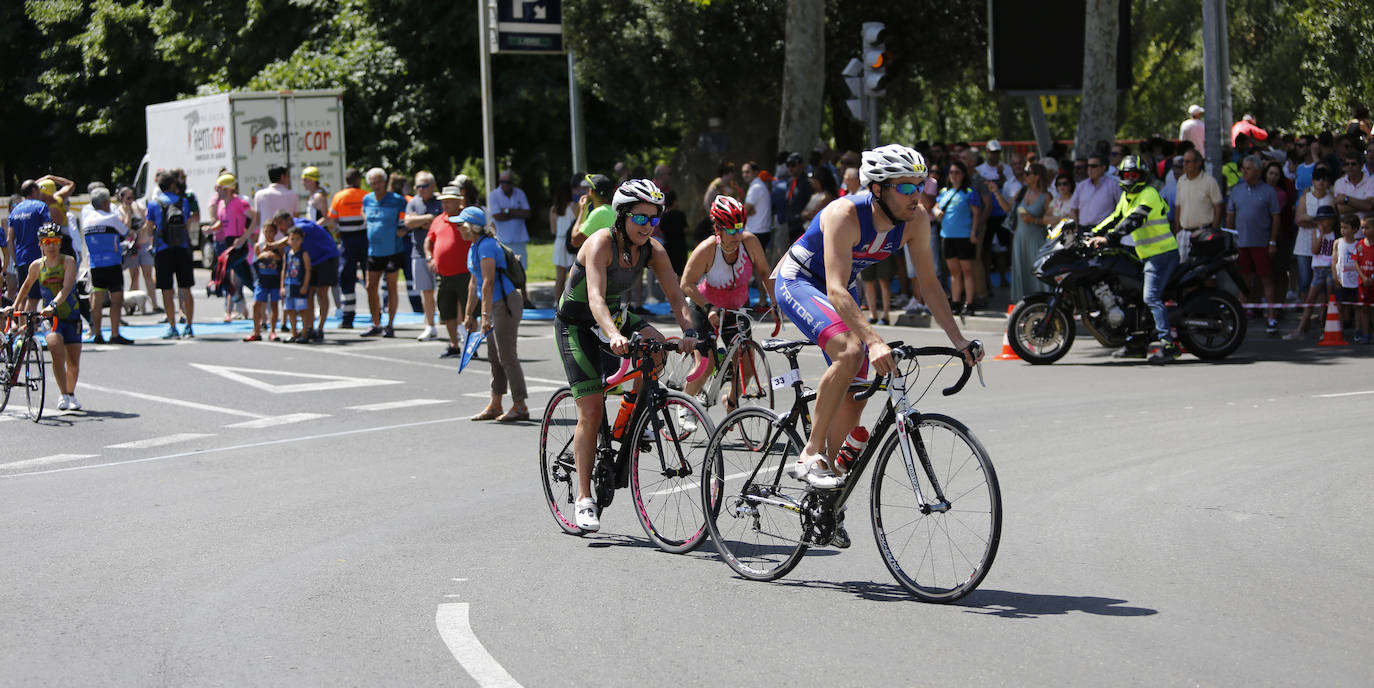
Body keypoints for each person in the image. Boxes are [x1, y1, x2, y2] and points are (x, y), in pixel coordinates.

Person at [774, 144, 979, 492]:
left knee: (858, 394)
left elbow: (929, 285)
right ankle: (809, 454)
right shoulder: (844, 214)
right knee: (852, 351)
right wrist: (873, 340)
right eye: (906, 187)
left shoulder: (916, 220)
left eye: (921, 185)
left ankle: (827, 495)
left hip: (842, 285)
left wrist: (958, 341)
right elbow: (836, 289)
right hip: (802, 281)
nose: (917, 195)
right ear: (879, 189)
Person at [554, 179, 699, 532]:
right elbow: (595, 299)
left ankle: (628, 425)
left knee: (657, 348)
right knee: (590, 409)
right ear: (621, 216)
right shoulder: (600, 242)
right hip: (579, 323)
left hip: (617, 318)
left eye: (653, 219)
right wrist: (614, 335)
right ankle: (584, 499)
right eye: (640, 218)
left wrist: (690, 332)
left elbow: (676, 296)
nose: (647, 226)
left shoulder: (653, 249)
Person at [679, 196, 774, 406]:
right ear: (718, 229)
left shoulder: (750, 243)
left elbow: (765, 270)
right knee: (706, 364)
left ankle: (731, 403)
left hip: (734, 310)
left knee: (747, 371)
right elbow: (686, 283)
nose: (737, 235)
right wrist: (708, 307)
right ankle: (684, 405)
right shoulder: (707, 249)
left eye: (740, 229)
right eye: (731, 231)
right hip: (704, 307)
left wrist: (775, 302)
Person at [1087, 155, 1182, 363]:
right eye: (1126, 175)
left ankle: (1168, 345)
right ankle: (1137, 344)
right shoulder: (1126, 197)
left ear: (1143, 176)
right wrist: (1091, 232)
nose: (1130, 179)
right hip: (1145, 256)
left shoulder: (1149, 194)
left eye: (1134, 175)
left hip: (1162, 255)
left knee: (1151, 297)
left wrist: (1108, 238)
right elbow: (1115, 217)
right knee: (1131, 295)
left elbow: (1132, 221)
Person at [459, 206, 529, 422]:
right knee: (494, 356)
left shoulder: (487, 246)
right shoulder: (475, 246)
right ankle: (495, 403)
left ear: (472, 227)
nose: (459, 228)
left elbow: (488, 283)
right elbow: (474, 284)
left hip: (504, 304)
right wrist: (470, 314)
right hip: (494, 305)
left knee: (507, 355)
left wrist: (485, 315)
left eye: (461, 224)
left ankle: (520, 405)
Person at [6, 225, 83, 410]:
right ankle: (63, 394)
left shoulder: (68, 262)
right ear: (41, 244)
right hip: (51, 318)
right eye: (47, 242)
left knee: (73, 362)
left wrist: (53, 305)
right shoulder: (37, 266)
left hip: (71, 315)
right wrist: (14, 307)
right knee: (56, 349)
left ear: (60, 243)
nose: (51, 246)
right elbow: (24, 288)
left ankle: (71, 394)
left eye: (55, 241)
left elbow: (66, 288)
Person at [1226, 155, 1283, 335]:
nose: (1244, 172)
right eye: (1243, 168)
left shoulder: (1268, 191)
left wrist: (1272, 241)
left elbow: (1276, 217)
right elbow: (1230, 215)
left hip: (1261, 243)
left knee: (1267, 279)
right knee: (1243, 281)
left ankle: (1271, 317)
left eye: (1248, 169)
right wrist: (1229, 239)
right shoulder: (1237, 190)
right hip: (1241, 243)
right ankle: (1240, 317)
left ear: (1258, 171)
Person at [79, 188, 134, 345]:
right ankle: (115, 334)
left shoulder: (88, 220)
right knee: (116, 299)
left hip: (96, 264)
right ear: (104, 203)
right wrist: (128, 215)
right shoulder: (111, 218)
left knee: (96, 299)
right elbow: (126, 233)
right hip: (113, 263)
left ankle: (98, 334)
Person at [425, 185, 473, 358]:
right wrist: (430, 258)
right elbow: (428, 242)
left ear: (458, 201)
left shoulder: (467, 218)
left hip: (466, 273)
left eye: (448, 201)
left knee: (470, 311)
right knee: (447, 310)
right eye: (443, 201)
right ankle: (454, 344)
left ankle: (470, 345)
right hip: (444, 274)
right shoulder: (438, 220)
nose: (445, 204)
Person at [146, 170, 196, 339]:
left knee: (166, 290)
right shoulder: (183, 201)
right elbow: (187, 225)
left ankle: (172, 326)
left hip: (162, 249)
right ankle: (189, 326)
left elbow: (148, 230)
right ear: (173, 185)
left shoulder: (153, 204)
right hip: (182, 248)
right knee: (186, 288)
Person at [359, 167, 407, 337]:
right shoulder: (367, 200)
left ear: (385, 182)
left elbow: (406, 216)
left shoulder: (397, 200)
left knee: (391, 286)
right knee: (370, 287)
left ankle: (390, 325)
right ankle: (375, 323)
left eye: (379, 182)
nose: (376, 185)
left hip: (392, 250)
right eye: (372, 183)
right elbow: (363, 212)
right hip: (373, 250)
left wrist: (403, 228)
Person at [931, 159, 982, 314]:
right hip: (947, 236)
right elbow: (935, 206)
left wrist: (974, 232)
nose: (954, 175)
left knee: (967, 270)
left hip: (964, 236)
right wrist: (936, 211)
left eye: (957, 172)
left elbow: (976, 214)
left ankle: (970, 303)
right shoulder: (944, 191)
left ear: (963, 174)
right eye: (951, 172)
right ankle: (955, 302)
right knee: (954, 272)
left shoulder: (969, 192)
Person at [207, 173, 257, 322]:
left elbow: (255, 217)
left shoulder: (239, 202)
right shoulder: (222, 205)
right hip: (229, 244)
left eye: (220, 188)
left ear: (228, 189)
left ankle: (237, 297)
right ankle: (257, 302)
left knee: (219, 272)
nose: (217, 192)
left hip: (238, 246)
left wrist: (243, 237)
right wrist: (210, 229)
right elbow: (222, 223)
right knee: (247, 279)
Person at [1287, 205, 1339, 340]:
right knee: (1310, 300)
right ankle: (1301, 329)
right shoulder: (1316, 232)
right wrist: (1321, 234)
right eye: (1320, 220)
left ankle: (1327, 329)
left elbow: (1333, 253)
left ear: (1332, 220)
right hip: (1318, 270)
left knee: (1330, 300)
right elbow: (1315, 250)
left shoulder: (1336, 234)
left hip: (1330, 269)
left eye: (1325, 220)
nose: (1322, 223)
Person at [405, 171, 442, 341]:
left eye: (424, 186)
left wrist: (419, 221)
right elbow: (408, 223)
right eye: (418, 186)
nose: (421, 189)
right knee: (426, 292)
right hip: (419, 253)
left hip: (440, 254)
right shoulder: (413, 202)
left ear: (432, 186)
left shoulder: (441, 201)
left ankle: (455, 326)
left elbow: (439, 223)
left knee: (445, 291)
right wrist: (428, 218)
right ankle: (430, 326)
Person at [329, 168, 369, 328]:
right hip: (364, 239)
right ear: (358, 180)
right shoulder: (366, 196)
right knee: (369, 278)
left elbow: (332, 221)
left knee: (347, 279)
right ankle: (376, 315)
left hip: (347, 242)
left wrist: (337, 233)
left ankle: (347, 318)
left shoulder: (338, 197)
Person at [1008, 163, 1052, 303]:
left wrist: (1034, 219)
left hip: (1037, 238)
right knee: (1022, 269)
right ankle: (1022, 304)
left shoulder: (1046, 196)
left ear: (1037, 176)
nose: (1024, 176)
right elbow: (1008, 208)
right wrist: (996, 192)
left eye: (1028, 173)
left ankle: (1042, 302)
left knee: (1037, 271)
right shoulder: (1021, 192)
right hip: (1020, 238)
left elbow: (1051, 219)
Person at [1172, 148, 1225, 261]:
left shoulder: (1209, 182)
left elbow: (1218, 207)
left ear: (1198, 163)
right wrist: (1177, 231)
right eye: (1183, 162)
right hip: (1184, 234)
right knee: (1182, 271)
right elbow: (1178, 207)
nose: (1184, 165)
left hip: (1204, 233)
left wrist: (1213, 230)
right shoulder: (1181, 181)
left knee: (1206, 271)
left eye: (1187, 162)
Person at [1293, 165, 1336, 303]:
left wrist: (1310, 220)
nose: (1321, 182)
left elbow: (1332, 223)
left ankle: (1322, 314)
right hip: (1304, 243)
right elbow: (1299, 219)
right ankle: (1307, 310)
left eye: (1324, 179)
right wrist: (1318, 222)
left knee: (1322, 282)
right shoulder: (1305, 198)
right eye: (1318, 179)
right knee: (1305, 280)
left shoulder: (1331, 199)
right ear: (1313, 180)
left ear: (1328, 182)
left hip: (1324, 243)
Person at [488, 170, 531, 267]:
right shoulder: (494, 195)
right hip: (502, 239)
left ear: (512, 182)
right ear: (499, 182)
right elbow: (497, 216)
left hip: (519, 239)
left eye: (508, 182)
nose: (505, 185)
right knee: (505, 268)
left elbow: (527, 213)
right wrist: (517, 212)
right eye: (503, 182)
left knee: (520, 268)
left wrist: (507, 211)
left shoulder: (520, 193)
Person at [247, 222, 282, 342]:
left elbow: (281, 261)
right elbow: (256, 262)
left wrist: (273, 255)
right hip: (262, 279)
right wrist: (264, 254)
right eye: (266, 231)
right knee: (257, 304)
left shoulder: (278, 246)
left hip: (274, 279)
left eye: (271, 231)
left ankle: (272, 330)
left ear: (275, 233)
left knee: (274, 305)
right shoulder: (258, 246)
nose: (268, 234)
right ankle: (256, 330)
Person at [1070, 153, 1121, 228]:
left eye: (1093, 166)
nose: (1089, 169)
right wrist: (1076, 228)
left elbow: (1120, 208)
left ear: (1103, 167)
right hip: (1082, 229)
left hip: (1104, 230)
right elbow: (1074, 209)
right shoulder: (1081, 186)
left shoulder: (1114, 185)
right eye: (1088, 166)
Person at [1333, 214, 1363, 339]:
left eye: (1346, 228)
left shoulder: (1359, 245)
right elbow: (1334, 261)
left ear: (1355, 229)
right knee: (1340, 306)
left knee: (1357, 308)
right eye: (1341, 228)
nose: (1343, 230)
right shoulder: (1337, 243)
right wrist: (1335, 277)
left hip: (1356, 281)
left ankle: (1358, 330)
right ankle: (1339, 330)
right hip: (1342, 281)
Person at [281, 225, 313, 343]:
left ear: (301, 240)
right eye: (292, 239)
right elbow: (284, 270)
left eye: (297, 239)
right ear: (288, 239)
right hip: (289, 286)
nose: (294, 241)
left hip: (299, 286)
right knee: (290, 310)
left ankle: (304, 334)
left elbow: (308, 270)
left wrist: (305, 285)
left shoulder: (304, 254)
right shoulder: (287, 253)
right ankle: (294, 333)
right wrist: (282, 286)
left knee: (302, 310)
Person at [569, 173, 616, 249]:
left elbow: (575, 241)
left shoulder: (599, 212)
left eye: (586, 189)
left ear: (591, 191)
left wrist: (582, 210)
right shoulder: (615, 209)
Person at [549, 177, 577, 299]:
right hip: (571, 241)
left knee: (559, 277)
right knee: (574, 275)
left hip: (559, 242)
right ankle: (572, 301)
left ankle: (557, 302)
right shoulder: (574, 207)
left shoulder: (554, 209)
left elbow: (553, 230)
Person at [253, 164, 298, 229]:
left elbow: (257, 221)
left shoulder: (259, 194)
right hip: (286, 237)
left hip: (266, 237)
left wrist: (243, 238)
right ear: (283, 176)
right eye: (288, 176)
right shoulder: (293, 194)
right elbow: (296, 219)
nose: (289, 178)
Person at [741, 160, 773, 249]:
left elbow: (744, 211)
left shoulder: (756, 187)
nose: (744, 175)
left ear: (755, 172)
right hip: (759, 231)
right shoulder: (758, 185)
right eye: (743, 172)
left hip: (756, 232)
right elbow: (747, 210)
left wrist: (746, 210)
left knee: (752, 262)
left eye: (747, 172)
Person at [1334, 153, 1374, 221]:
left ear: (1361, 166)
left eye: (1353, 164)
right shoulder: (1339, 183)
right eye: (1347, 164)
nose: (1350, 167)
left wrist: (1346, 199)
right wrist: (1363, 205)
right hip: (1346, 229)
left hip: (1367, 230)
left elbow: (1370, 206)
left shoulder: (1371, 181)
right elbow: (1341, 209)